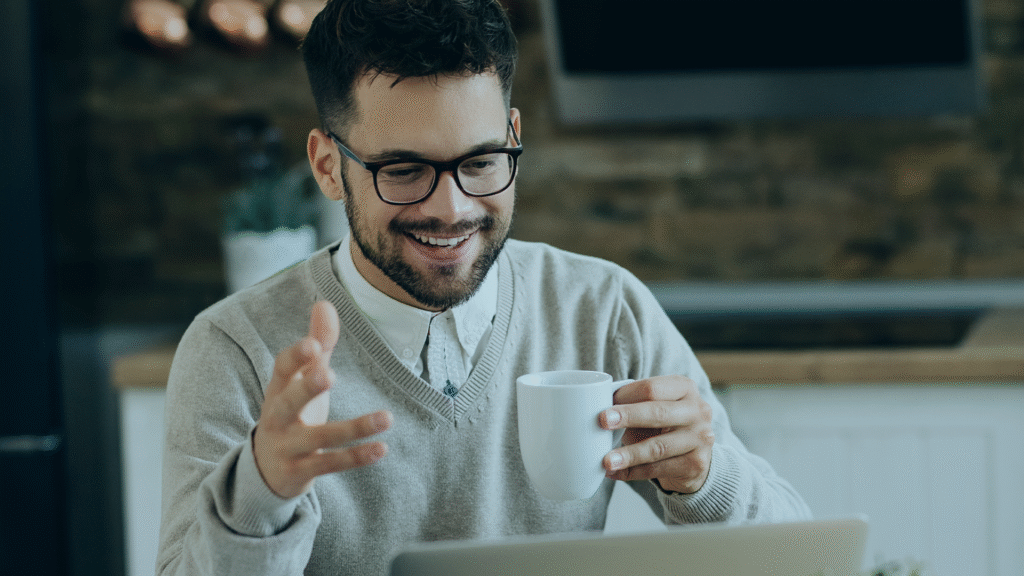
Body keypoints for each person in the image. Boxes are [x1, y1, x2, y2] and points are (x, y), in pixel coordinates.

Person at [156, 0, 811, 574]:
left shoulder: (601, 310)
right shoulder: (235, 349)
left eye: (480, 162)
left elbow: (797, 561)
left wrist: (706, 479)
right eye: (405, 170)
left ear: (513, 138)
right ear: (329, 166)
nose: (451, 208)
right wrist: (260, 490)